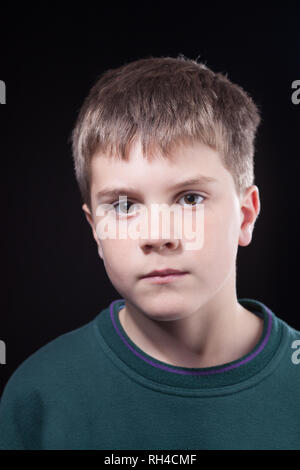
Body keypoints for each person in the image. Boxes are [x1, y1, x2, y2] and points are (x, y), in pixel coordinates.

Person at [0, 55, 299, 450]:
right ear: (96, 231)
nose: (158, 236)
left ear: (245, 216)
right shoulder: (38, 396)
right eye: (124, 205)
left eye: (190, 198)